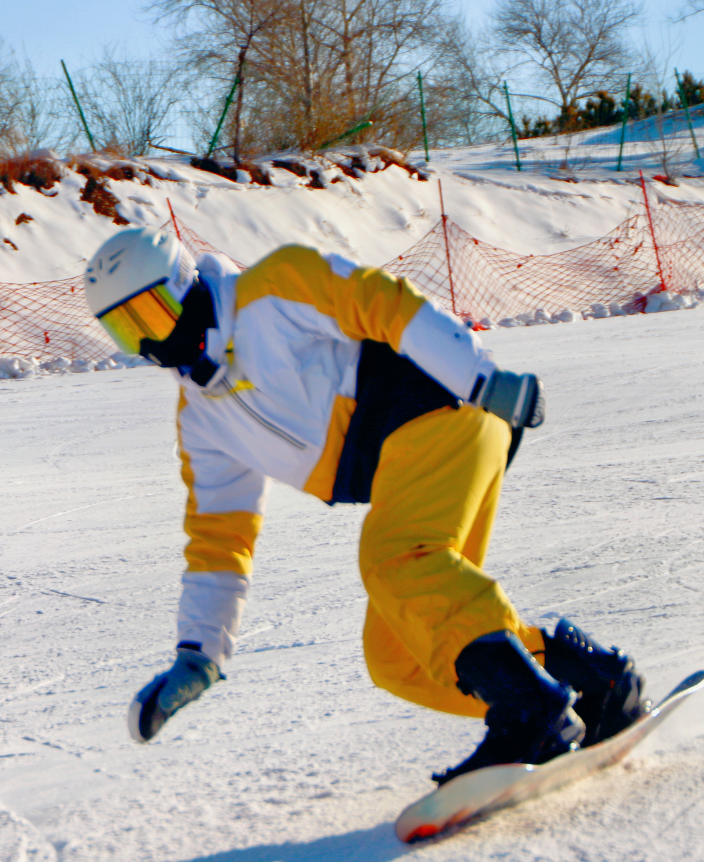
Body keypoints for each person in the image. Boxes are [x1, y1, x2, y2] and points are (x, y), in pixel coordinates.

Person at [83, 226, 648, 782]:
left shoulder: (273, 289)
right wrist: (198, 654)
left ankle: (532, 714)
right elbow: (219, 541)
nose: (152, 343)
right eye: (128, 333)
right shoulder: (202, 421)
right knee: (397, 658)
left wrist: (481, 377)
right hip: (408, 465)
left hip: (446, 408)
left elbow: (385, 304)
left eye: (151, 316)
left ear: (183, 286)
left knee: (395, 557)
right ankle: (596, 686)